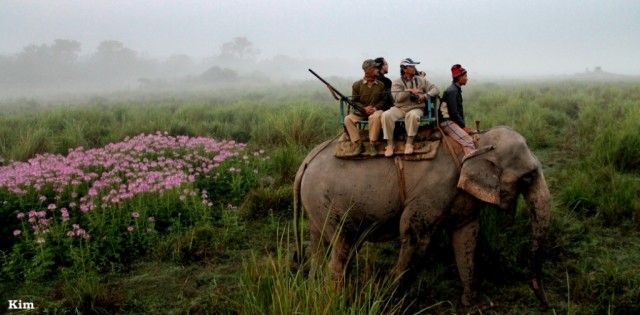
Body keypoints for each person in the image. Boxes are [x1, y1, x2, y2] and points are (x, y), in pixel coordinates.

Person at [381, 58, 439, 157]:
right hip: (400, 108)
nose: (414, 68)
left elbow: (435, 89)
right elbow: (397, 98)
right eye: (411, 66)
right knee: (386, 115)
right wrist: (409, 91)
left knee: (412, 115)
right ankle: (390, 145)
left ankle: (409, 143)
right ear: (404, 69)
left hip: (416, 107)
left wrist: (425, 96)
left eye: (414, 66)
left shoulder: (421, 80)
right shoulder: (396, 82)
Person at [343, 59, 388, 156]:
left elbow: (384, 100)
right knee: (347, 119)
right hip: (361, 111)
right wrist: (364, 108)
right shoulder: (357, 85)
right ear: (368, 70)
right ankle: (358, 144)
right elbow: (355, 101)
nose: (378, 70)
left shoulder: (381, 85)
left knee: (374, 117)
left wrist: (375, 108)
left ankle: (373, 144)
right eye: (375, 68)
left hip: (376, 111)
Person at [439, 64, 476, 157]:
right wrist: (463, 126)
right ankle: (470, 169)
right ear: (459, 77)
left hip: (452, 121)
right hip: (447, 122)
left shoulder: (456, 89)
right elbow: (453, 113)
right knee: (468, 141)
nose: (467, 78)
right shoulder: (453, 91)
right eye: (465, 76)